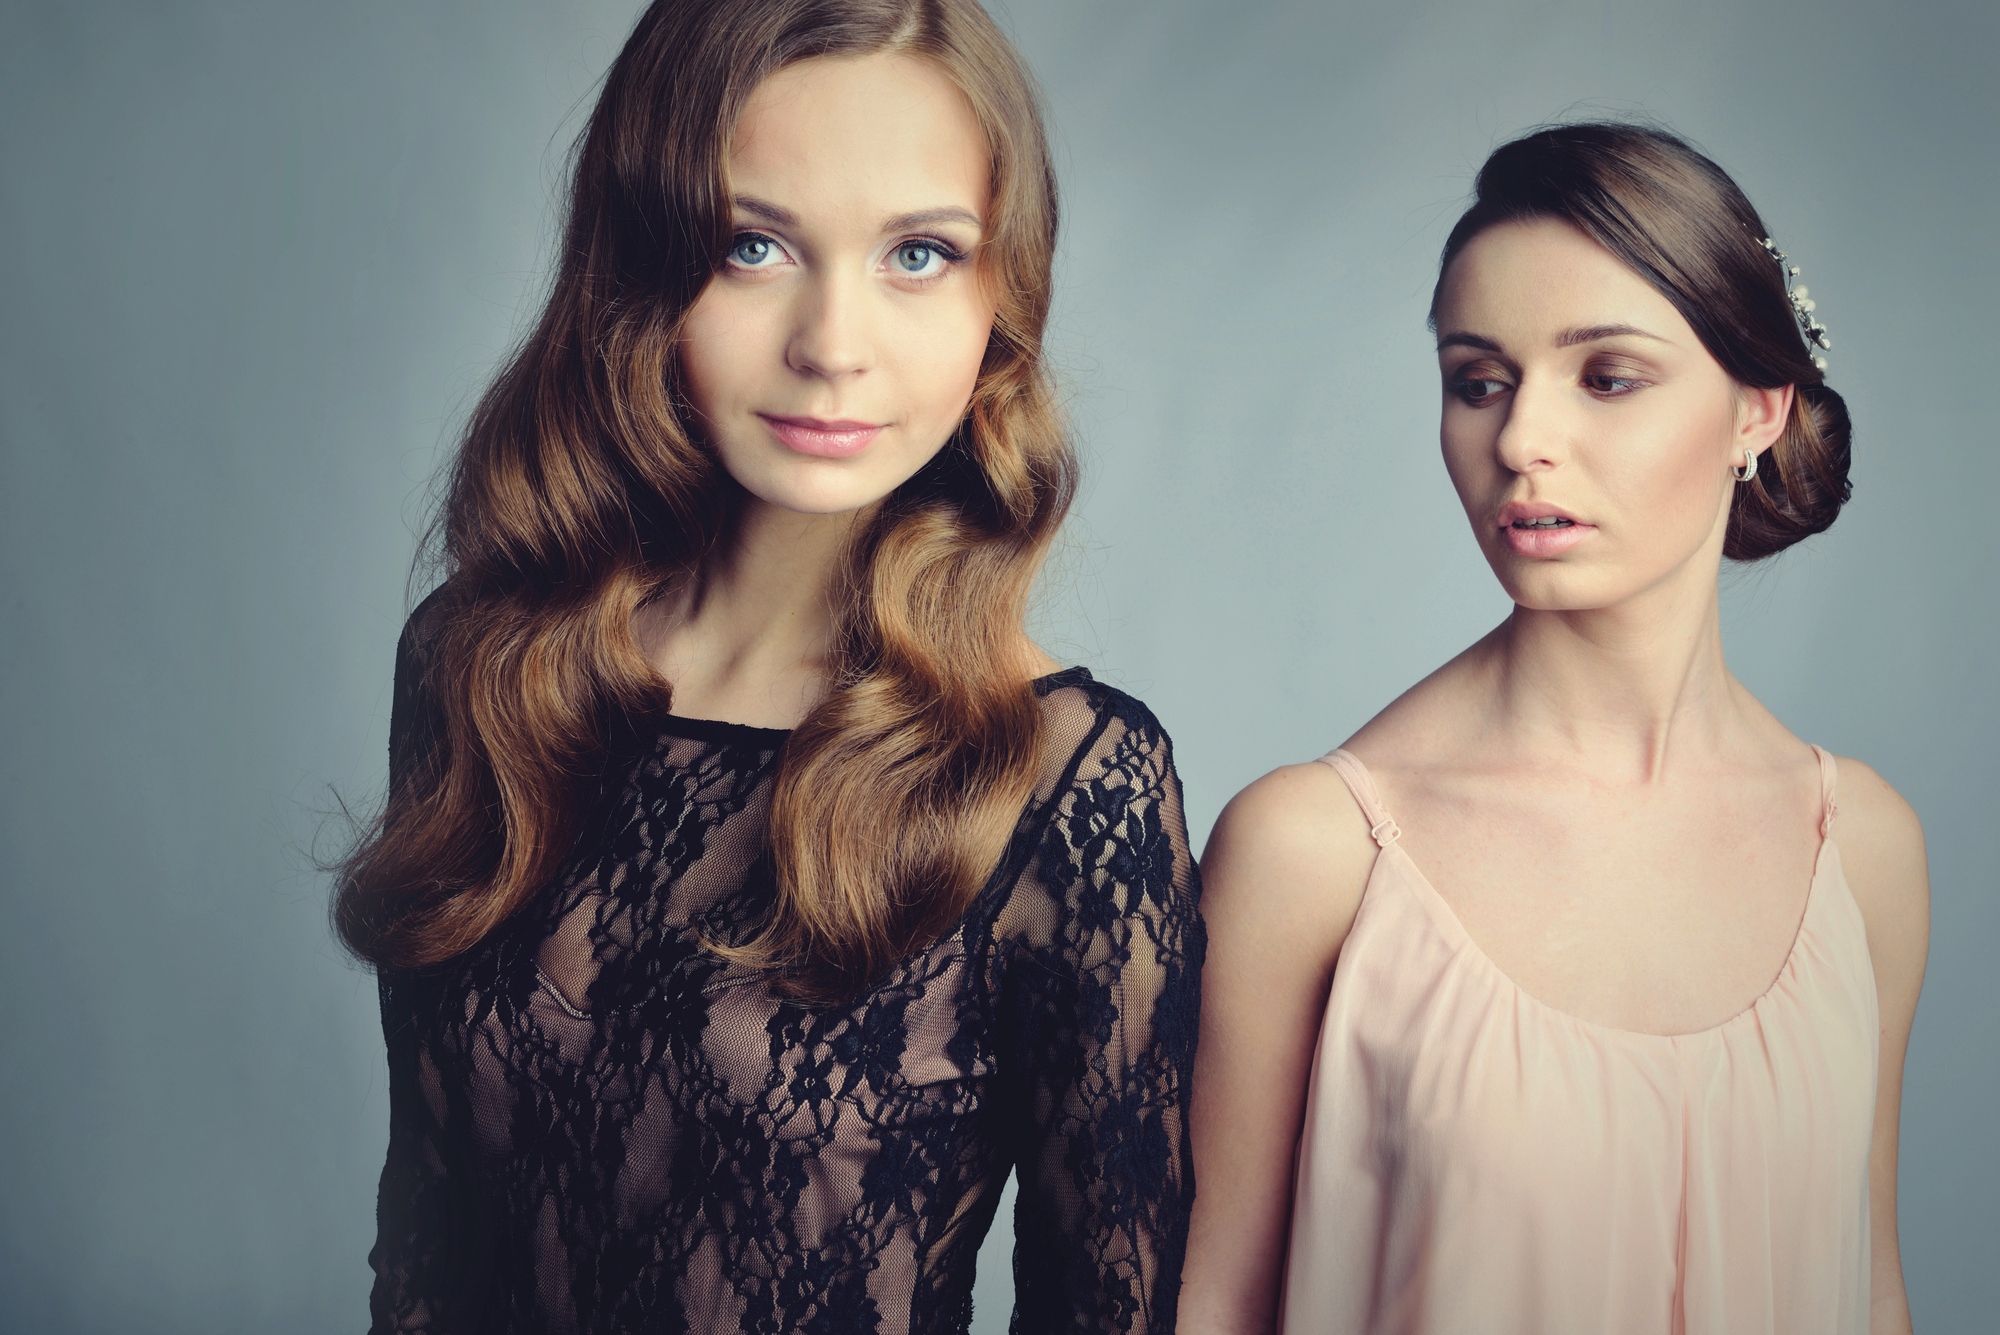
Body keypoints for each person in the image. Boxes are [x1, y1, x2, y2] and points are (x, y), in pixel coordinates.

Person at [337, 2, 1202, 1330]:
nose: (833, 344)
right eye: (754, 246)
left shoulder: (1067, 785)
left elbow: (1114, 1308)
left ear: (1001, 301)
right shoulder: (482, 664)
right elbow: (426, 1240)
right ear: (640, 267)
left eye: (919, 253)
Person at [1179, 123, 1928, 1335]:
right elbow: (1209, 1307)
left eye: (1605, 377)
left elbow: (1868, 1283)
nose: (1519, 439)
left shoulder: (1863, 852)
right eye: (1478, 380)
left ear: (1758, 407)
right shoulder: (1310, 853)